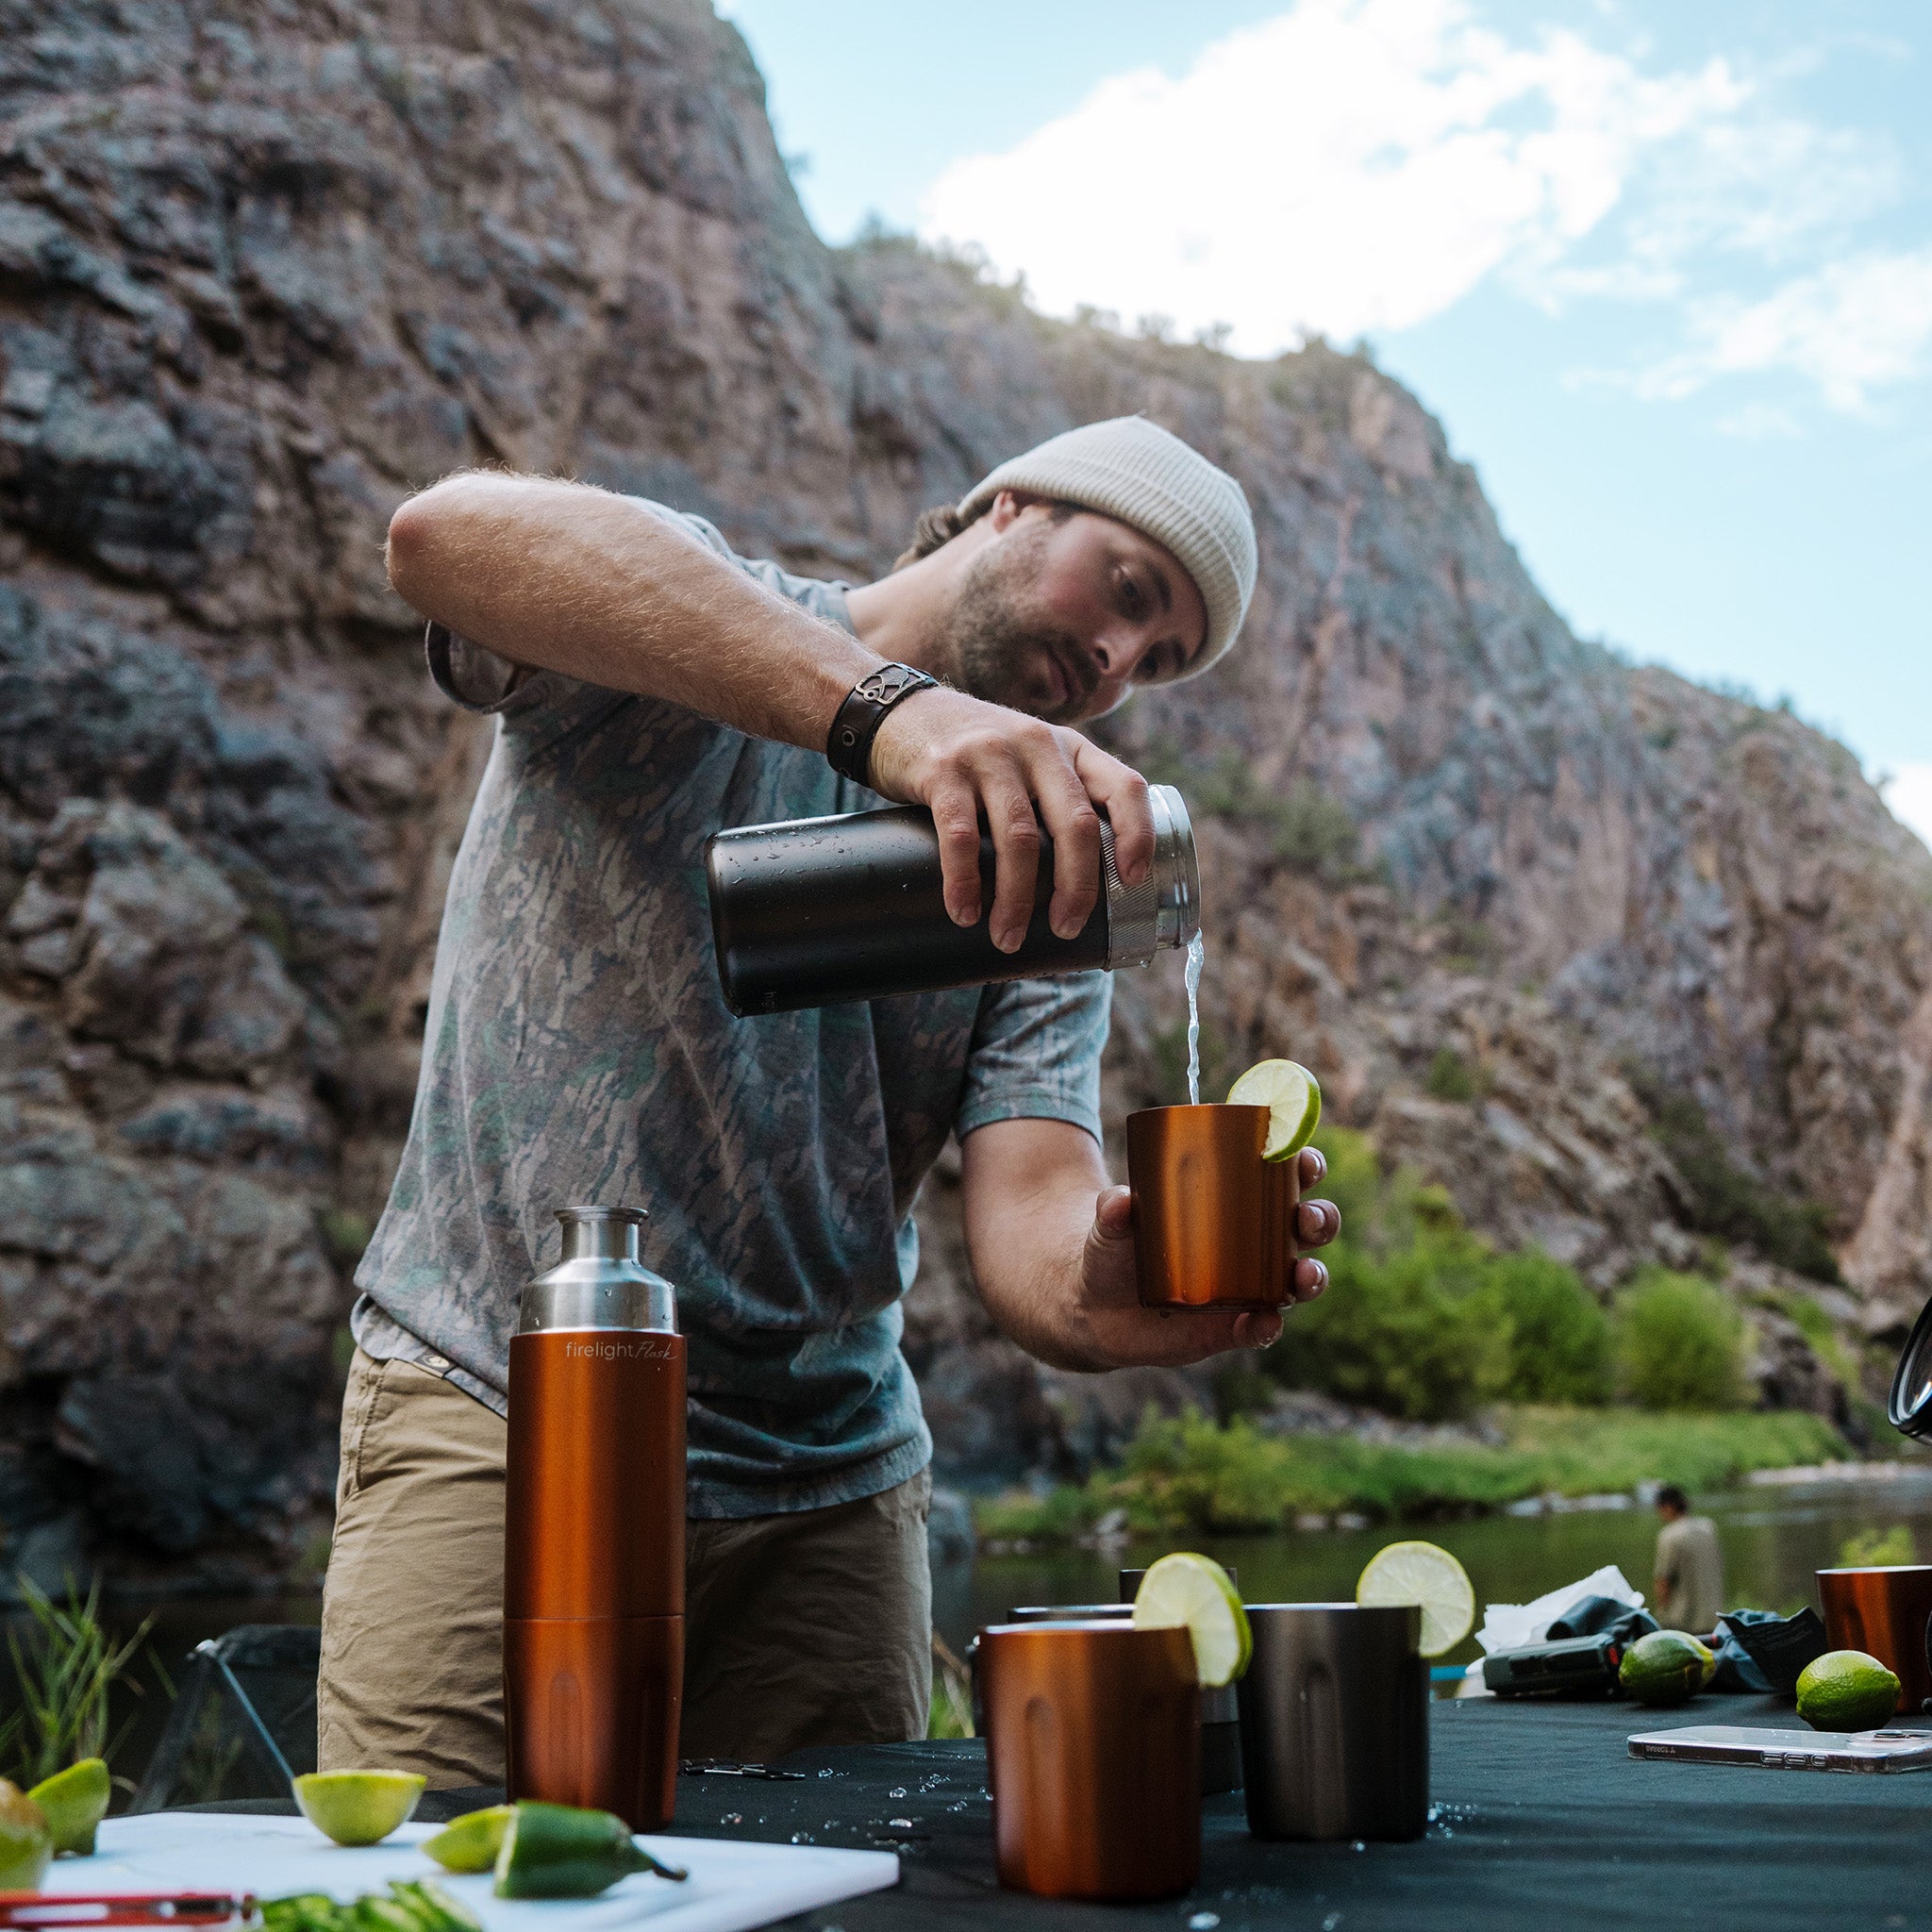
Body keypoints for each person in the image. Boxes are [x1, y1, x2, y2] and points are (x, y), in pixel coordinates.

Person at [316, 416, 1344, 1786]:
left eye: (1152, 662)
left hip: (828, 1502)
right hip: (491, 1416)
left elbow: (1033, 1209)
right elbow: (441, 539)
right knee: (435, 1888)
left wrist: (1111, 1282)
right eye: (1129, 592)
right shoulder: (687, 618)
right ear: (1012, 506)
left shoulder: (1058, 875)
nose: (1115, 662)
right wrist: (891, 719)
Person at [1653, 1485, 1724, 1635]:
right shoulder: (1708, 1527)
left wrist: (1661, 1615)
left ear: (1668, 1507)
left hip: (1684, 1621)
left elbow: (1663, 1581)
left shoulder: (1669, 1536)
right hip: (1714, 1618)